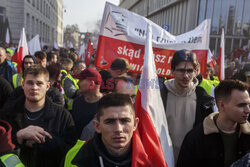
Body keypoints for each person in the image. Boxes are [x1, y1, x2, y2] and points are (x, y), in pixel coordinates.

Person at [0, 65, 76, 167]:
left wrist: (42, 139)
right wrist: (18, 137)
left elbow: (71, 151)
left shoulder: (62, 115)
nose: (34, 88)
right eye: (30, 83)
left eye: (39, 83)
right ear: (23, 85)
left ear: (47, 86)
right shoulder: (7, 113)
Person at [177, 80, 250, 167]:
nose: (247, 110)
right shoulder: (196, 138)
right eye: (241, 105)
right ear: (221, 105)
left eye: (248, 104)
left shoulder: (248, 135)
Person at [160, 49, 214, 162]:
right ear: (172, 71)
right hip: (162, 158)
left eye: (190, 70)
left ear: (196, 71)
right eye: (181, 70)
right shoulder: (159, 96)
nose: (185, 75)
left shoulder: (204, 101)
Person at [65, 93, 139, 167]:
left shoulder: (149, 157)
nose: (118, 129)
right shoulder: (74, 156)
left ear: (135, 124)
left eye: (125, 121)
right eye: (110, 122)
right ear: (97, 126)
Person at [71, 68, 103, 138]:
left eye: (80, 80)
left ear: (91, 84)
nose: (77, 83)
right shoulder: (76, 102)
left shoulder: (106, 105)